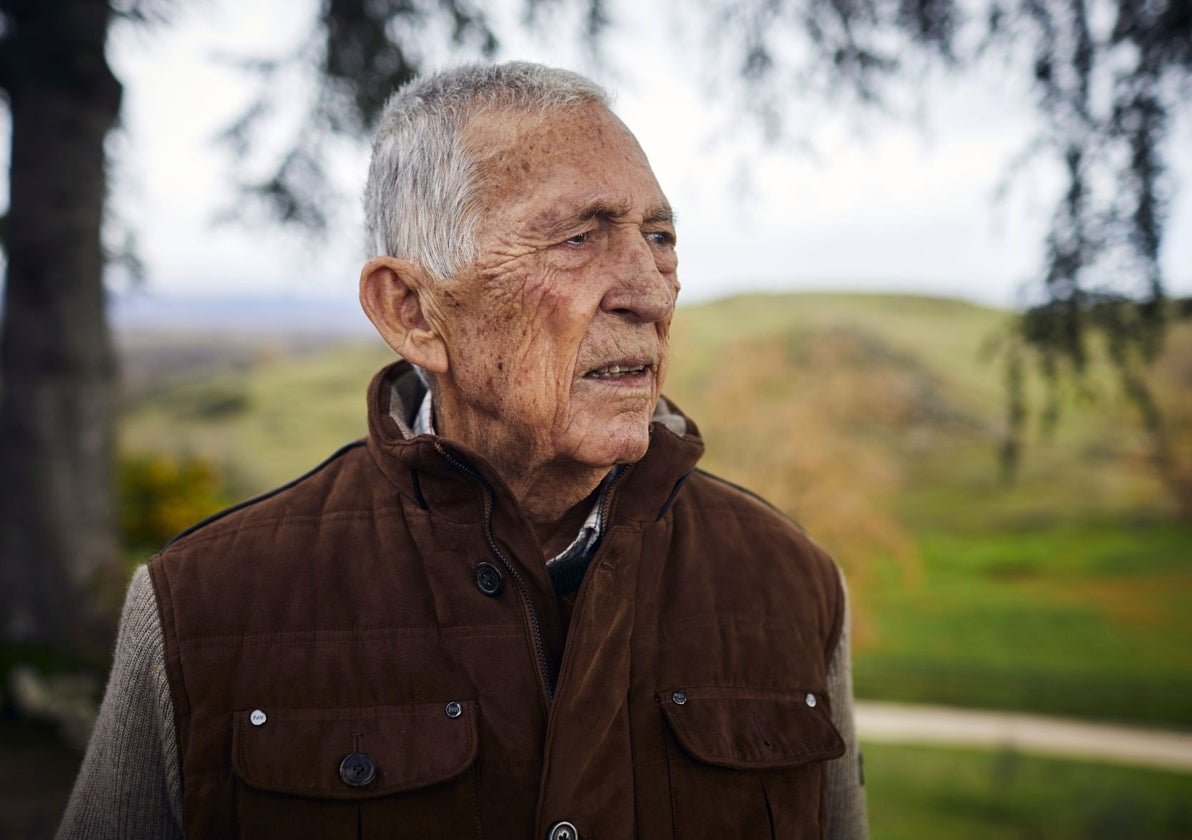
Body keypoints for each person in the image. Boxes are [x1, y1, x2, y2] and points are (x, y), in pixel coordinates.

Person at [59, 61, 868, 839]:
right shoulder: (201, 605)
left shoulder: (794, 582)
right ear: (413, 311)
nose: (651, 290)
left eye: (659, 235)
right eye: (580, 237)